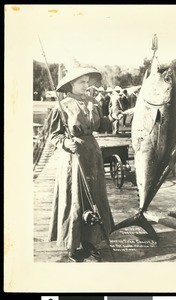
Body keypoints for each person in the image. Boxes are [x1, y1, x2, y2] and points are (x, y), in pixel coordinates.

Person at [48, 67, 123, 262]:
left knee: (94, 197)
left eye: (88, 81)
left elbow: (101, 125)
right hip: (74, 156)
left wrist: (112, 118)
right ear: (71, 84)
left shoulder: (93, 102)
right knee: (76, 198)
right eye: (82, 82)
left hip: (93, 154)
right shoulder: (62, 105)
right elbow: (54, 135)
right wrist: (65, 142)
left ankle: (91, 241)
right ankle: (73, 245)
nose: (86, 85)